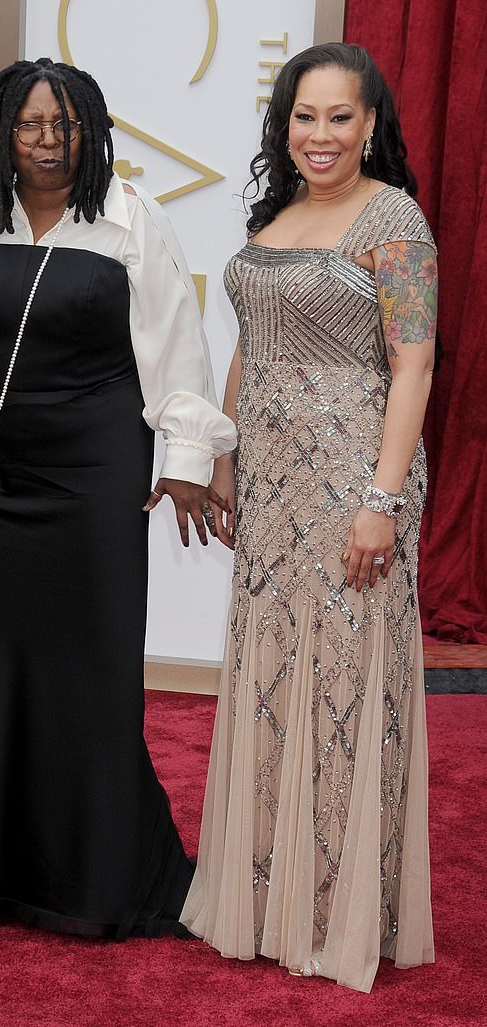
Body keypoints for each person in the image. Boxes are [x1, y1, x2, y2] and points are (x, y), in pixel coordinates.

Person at [0, 58, 236, 940]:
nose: (47, 142)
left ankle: (97, 879)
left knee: (89, 667)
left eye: (65, 126)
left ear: (91, 131)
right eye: (29, 125)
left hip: (97, 466)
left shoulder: (129, 218)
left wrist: (186, 454)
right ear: (2, 131)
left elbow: (175, 344)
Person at [180, 42, 436, 992]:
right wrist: (223, 459)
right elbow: (253, 346)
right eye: (304, 117)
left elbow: (413, 364)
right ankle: (262, 896)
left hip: (351, 479)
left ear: (372, 124)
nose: (320, 135)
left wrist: (382, 499)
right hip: (272, 483)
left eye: (340, 117)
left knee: (342, 679)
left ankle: (335, 912)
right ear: (282, 124)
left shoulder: (394, 220)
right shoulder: (275, 214)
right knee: (273, 669)